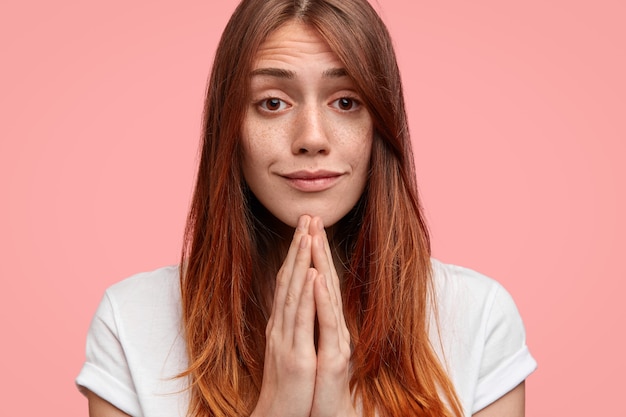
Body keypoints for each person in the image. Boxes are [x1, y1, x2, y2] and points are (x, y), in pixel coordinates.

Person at [76, 0, 537, 416]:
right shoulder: (131, 320)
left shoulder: (478, 318)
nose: (312, 137)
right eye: (273, 102)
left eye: (346, 102)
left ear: (381, 126)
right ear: (229, 130)